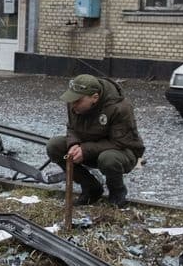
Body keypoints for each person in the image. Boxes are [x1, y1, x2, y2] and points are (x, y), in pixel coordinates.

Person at [46, 74, 145, 207]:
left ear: (95, 98)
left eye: (78, 101)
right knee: (54, 146)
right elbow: (71, 128)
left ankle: (117, 194)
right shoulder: (74, 103)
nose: (73, 104)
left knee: (108, 159)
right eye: (72, 100)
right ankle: (91, 188)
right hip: (89, 148)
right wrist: (74, 144)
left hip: (122, 152)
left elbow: (120, 142)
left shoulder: (120, 107)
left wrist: (85, 150)